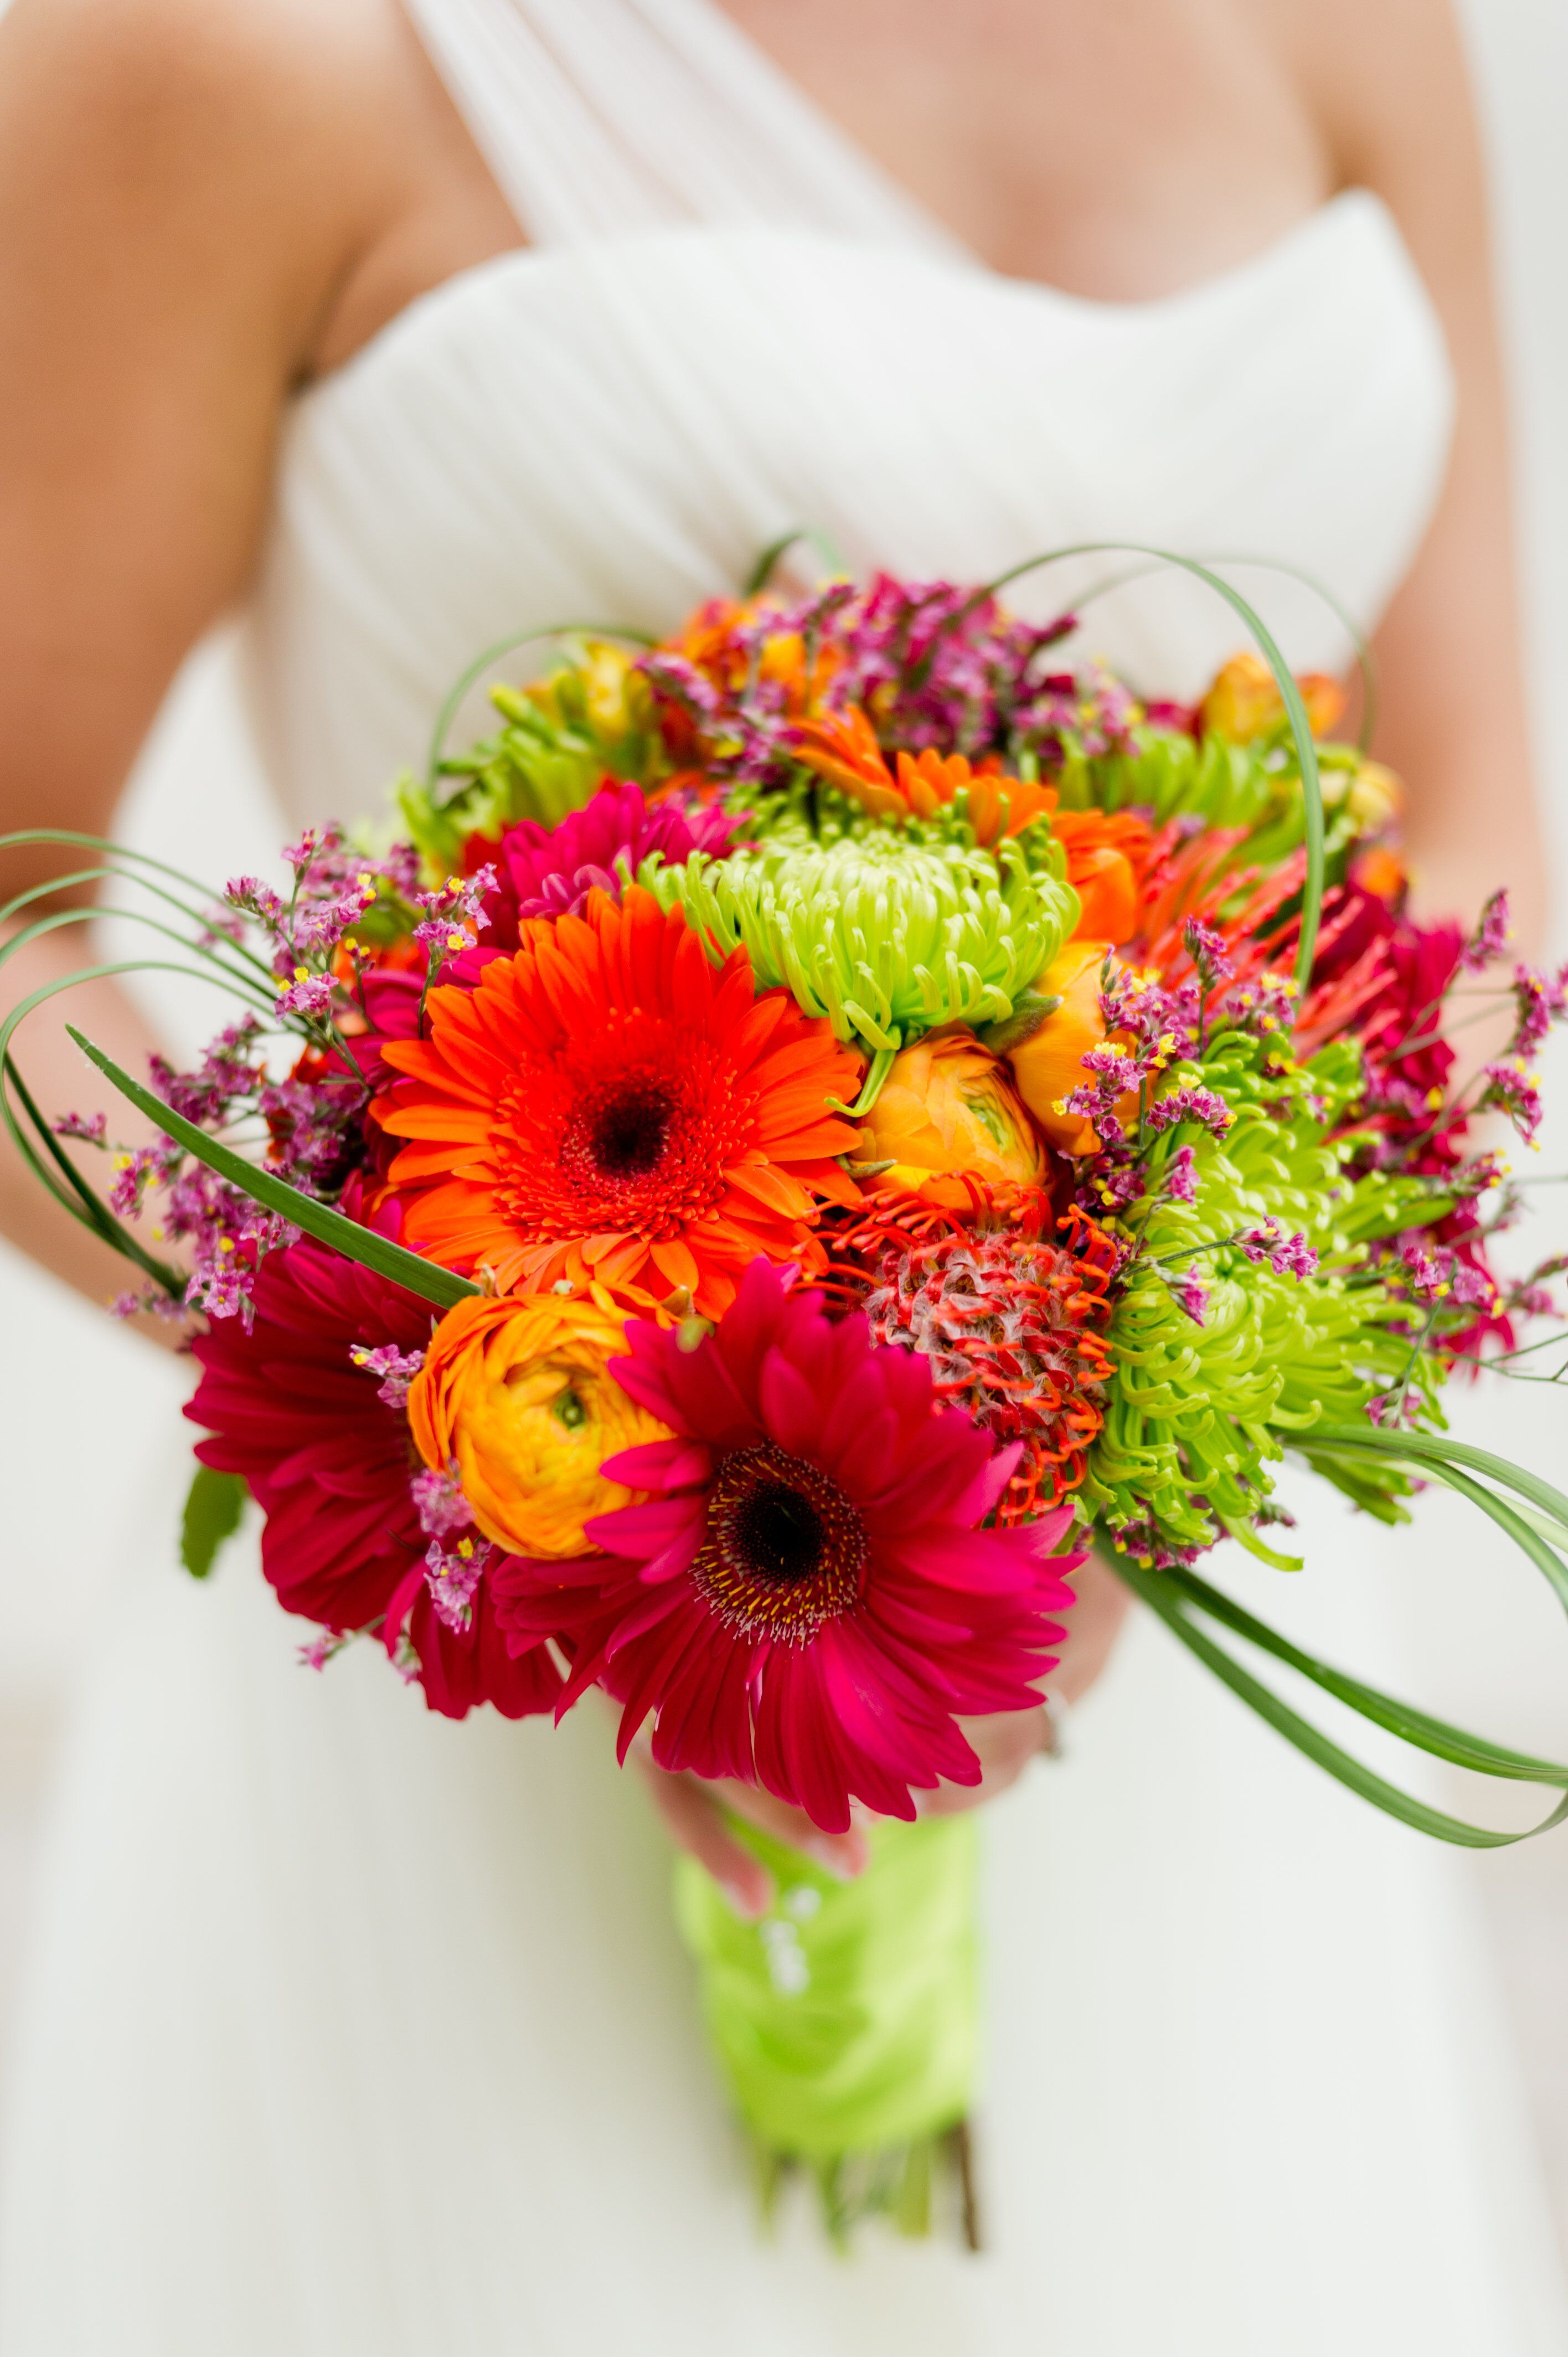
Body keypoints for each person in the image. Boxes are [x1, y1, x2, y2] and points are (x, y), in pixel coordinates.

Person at [0, 2, 1561, 2350]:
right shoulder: (219, 48)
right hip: (487, 1679)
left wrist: (1132, 1409)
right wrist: (508, 1432)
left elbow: (1466, 825)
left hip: (1159, 1681)